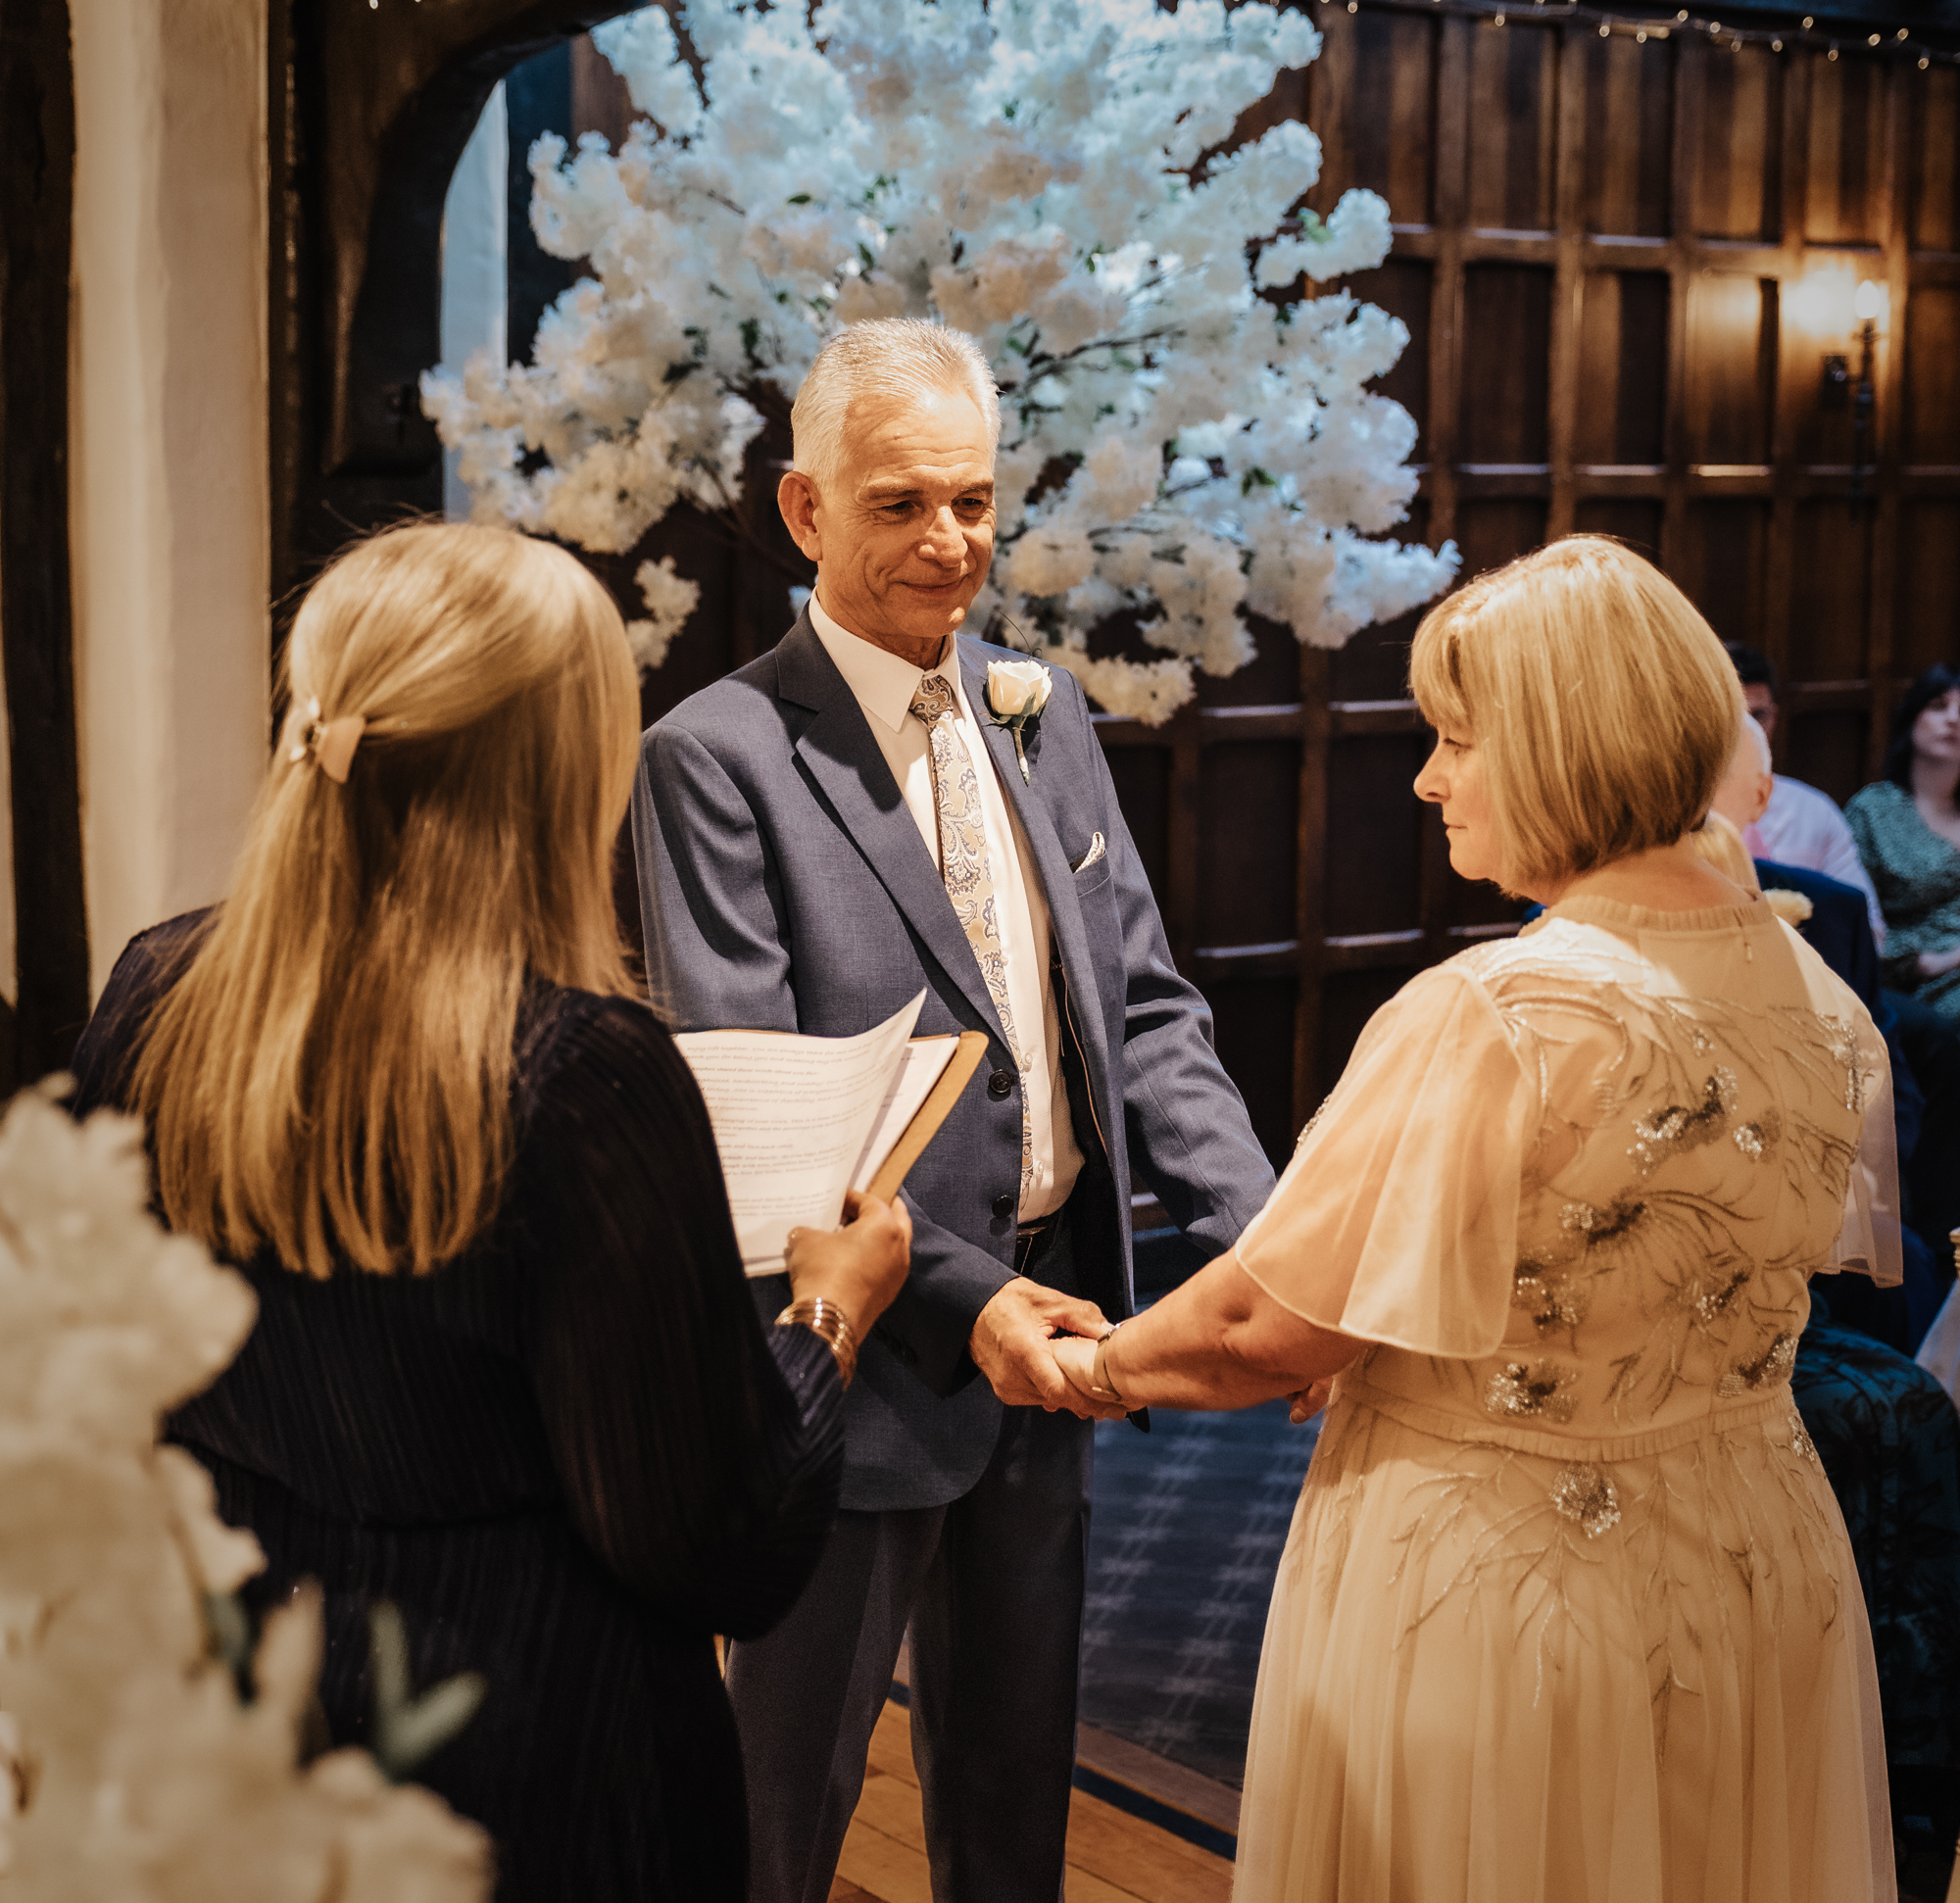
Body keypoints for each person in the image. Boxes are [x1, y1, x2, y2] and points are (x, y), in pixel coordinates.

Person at [66, 522, 912, 1903]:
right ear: (559, 762)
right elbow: (721, 1545)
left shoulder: (158, 991)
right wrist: (829, 1310)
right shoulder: (580, 1076)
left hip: (247, 1708)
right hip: (537, 1752)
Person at [1056, 537, 1902, 1901]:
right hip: (1761, 1563)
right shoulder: (1818, 992)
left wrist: (1087, 1367)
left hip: (1511, 1591)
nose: (1428, 778)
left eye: (1458, 739)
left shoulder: (1506, 1014)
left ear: (1571, 748)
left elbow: (1266, 1324)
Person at [633, 317, 1275, 1903]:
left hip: (1058, 1340)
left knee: (1009, 1799)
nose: (951, 543)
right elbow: (761, 1092)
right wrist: (977, 1301)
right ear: (804, 512)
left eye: (976, 502)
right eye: (902, 504)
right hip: (852, 1358)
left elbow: (1143, 1011)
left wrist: (1271, 1246)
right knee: (783, 1799)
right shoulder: (716, 755)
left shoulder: (1039, 714)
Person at [1726, 639, 1886, 941]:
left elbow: (1868, 929)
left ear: (1774, 716)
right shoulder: (1674, 811)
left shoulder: (1813, 811)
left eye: (1757, 716)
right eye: (1731, 716)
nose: (1744, 734)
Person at [1848, 665, 1960, 1026]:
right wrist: (1932, 961)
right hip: (1924, 979)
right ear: (1912, 718)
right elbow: (1852, 920)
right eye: (1938, 706)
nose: (1954, 720)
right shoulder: (1873, 810)